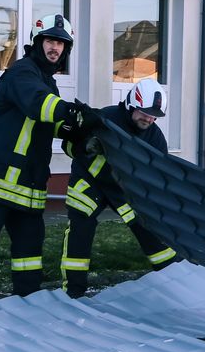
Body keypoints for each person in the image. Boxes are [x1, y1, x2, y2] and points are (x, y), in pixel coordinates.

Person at [0, 14, 88, 308]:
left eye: (61, 43)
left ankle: (27, 303)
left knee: (29, 251)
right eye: (50, 41)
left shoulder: (47, 82)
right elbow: (38, 104)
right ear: (38, 42)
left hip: (29, 187)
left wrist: (77, 129)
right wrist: (69, 111)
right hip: (0, 181)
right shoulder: (22, 73)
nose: (55, 48)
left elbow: (48, 123)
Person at [59, 77, 177, 298]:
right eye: (145, 112)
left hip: (122, 190)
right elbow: (68, 145)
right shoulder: (106, 118)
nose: (149, 118)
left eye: (154, 115)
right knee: (80, 232)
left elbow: (158, 175)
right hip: (90, 184)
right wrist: (86, 146)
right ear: (131, 104)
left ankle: (176, 280)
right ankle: (73, 293)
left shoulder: (155, 137)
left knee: (149, 230)